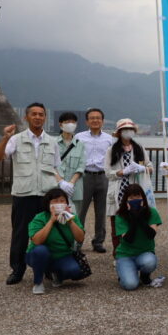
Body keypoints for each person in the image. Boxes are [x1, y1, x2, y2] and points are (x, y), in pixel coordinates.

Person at [0, 102, 63, 285]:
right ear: (26, 117)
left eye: (41, 114)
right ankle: (17, 269)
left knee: (49, 232)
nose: (38, 117)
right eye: (34, 114)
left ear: (45, 118)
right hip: (24, 193)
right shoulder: (16, 139)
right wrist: (5, 138)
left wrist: (60, 191)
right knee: (20, 233)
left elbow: (56, 168)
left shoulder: (52, 142)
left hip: (46, 194)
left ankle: (47, 268)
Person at [105, 118, 154, 255]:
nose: (128, 132)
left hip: (136, 191)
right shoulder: (111, 150)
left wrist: (142, 168)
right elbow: (108, 173)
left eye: (131, 129)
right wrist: (122, 172)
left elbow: (150, 168)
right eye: (125, 129)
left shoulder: (139, 148)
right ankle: (118, 253)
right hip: (118, 191)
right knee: (116, 224)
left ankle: (137, 250)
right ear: (119, 132)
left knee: (138, 220)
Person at [25, 187, 87, 294]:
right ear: (48, 204)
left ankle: (56, 273)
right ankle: (38, 282)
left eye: (62, 201)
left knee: (75, 271)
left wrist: (70, 221)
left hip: (62, 256)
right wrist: (51, 221)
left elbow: (80, 238)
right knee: (41, 250)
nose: (59, 204)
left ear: (67, 203)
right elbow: (37, 241)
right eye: (55, 201)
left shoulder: (72, 217)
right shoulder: (40, 218)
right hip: (38, 255)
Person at [75, 108, 114, 253]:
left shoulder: (109, 139)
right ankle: (77, 242)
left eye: (98, 118)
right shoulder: (79, 137)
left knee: (101, 211)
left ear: (102, 121)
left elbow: (114, 158)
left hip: (103, 176)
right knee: (80, 210)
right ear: (87, 121)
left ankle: (98, 241)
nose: (95, 120)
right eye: (92, 118)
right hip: (84, 176)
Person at [114, 184, 163, 291]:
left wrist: (140, 218)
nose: (135, 200)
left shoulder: (152, 212)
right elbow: (128, 239)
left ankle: (144, 276)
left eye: (138, 197)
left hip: (145, 253)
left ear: (143, 198)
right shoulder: (120, 216)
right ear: (126, 200)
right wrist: (133, 218)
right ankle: (123, 271)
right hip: (125, 255)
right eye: (131, 198)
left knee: (150, 262)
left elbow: (151, 235)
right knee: (130, 285)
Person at [56, 112, 85, 215]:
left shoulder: (80, 145)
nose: (70, 124)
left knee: (74, 217)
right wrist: (61, 182)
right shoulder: (53, 143)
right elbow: (49, 165)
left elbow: (81, 166)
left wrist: (71, 183)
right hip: (56, 187)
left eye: (73, 122)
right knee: (57, 216)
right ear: (60, 124)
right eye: (67, 122)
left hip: (75, 189)